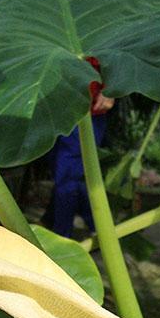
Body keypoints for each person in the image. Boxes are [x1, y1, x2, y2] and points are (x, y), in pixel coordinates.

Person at [42, 58, 114, 238]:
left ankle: (61, 236)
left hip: (85, 113)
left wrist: (111, 89)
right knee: (63, 173)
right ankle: (96, 226)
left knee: (68, 176)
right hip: (52, 108)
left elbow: (115, 56)